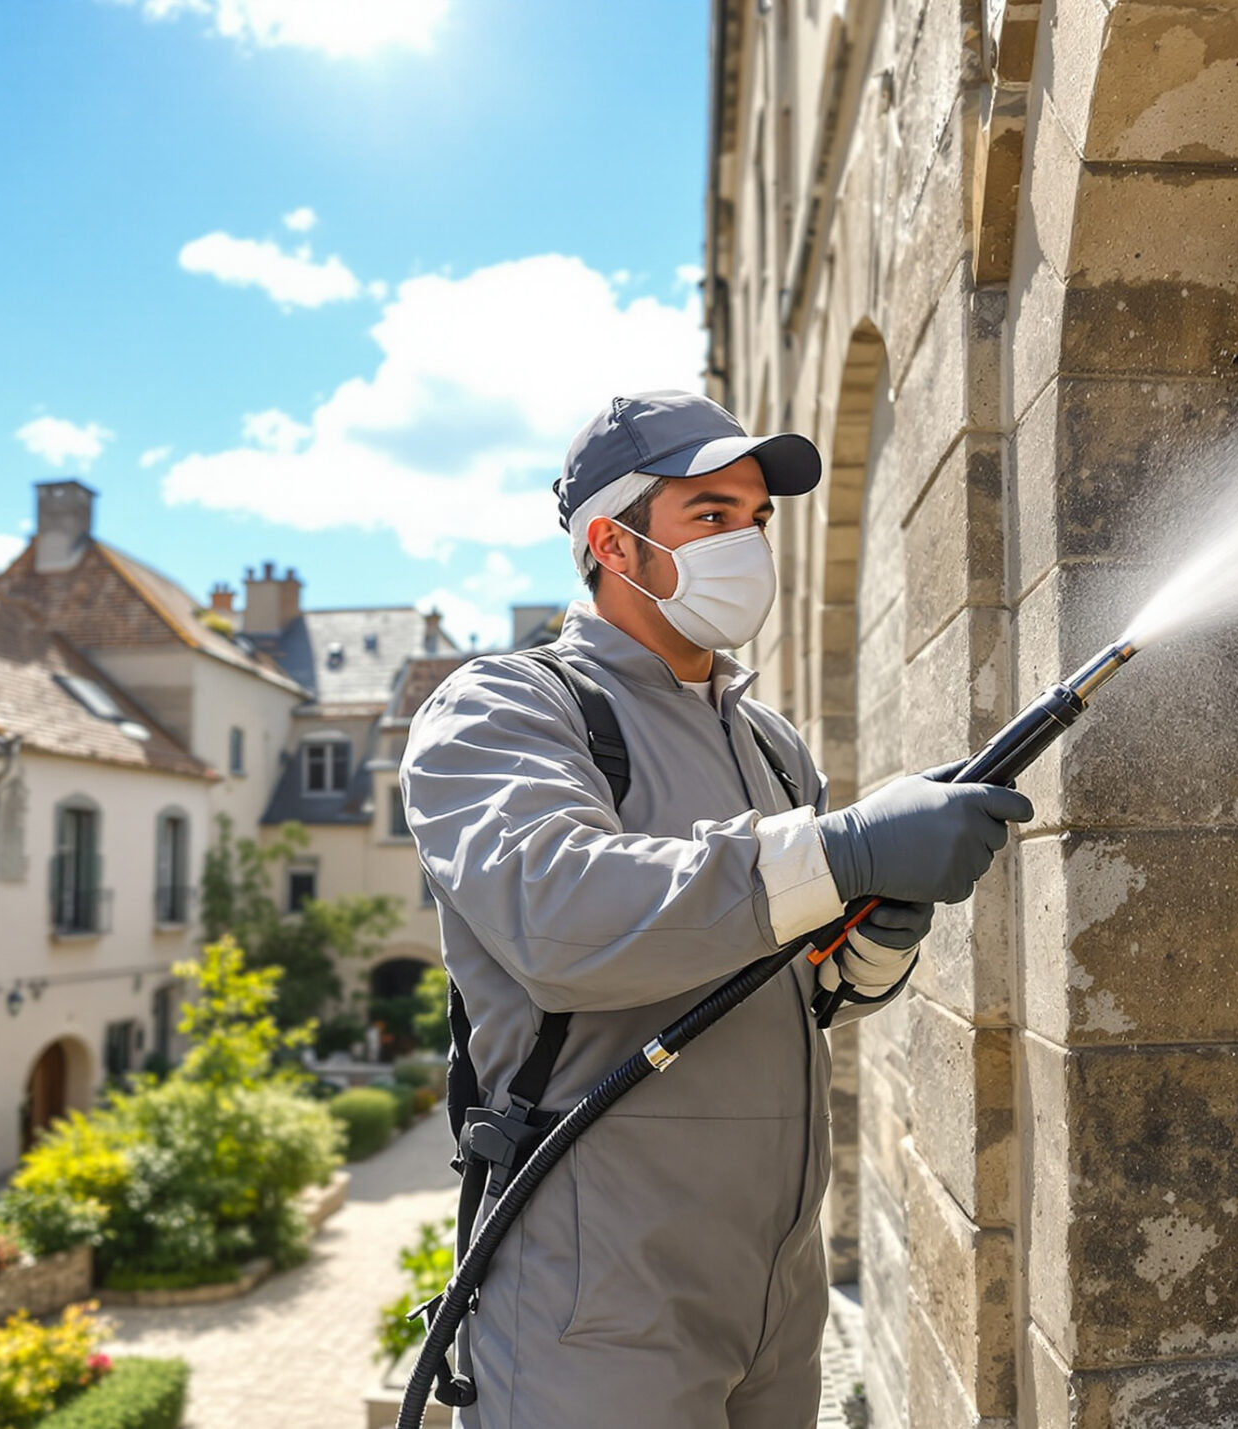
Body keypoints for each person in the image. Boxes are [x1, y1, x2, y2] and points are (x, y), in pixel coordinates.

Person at [402, 391, 1031, 1428]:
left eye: (757, 517)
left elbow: (794, 987)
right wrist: (846, 846)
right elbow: (561, 918)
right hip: (593, 1308)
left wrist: (877, 931)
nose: (748, 540)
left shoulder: (771, 744)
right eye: (711, 515)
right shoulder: (507, 708)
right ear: (613, 542)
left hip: (773, 1297)